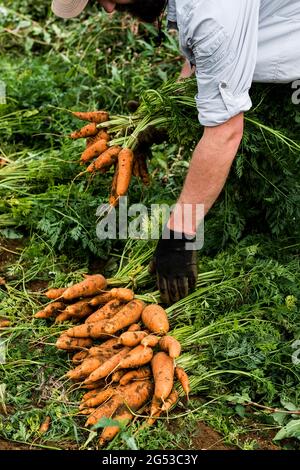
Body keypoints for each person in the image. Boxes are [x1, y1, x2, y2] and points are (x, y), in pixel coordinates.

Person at [52, 0, 300, 304]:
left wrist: (178, 234)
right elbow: (204, 58)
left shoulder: (211, 13)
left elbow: (225, 132)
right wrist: (163, 116)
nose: (108, 8)